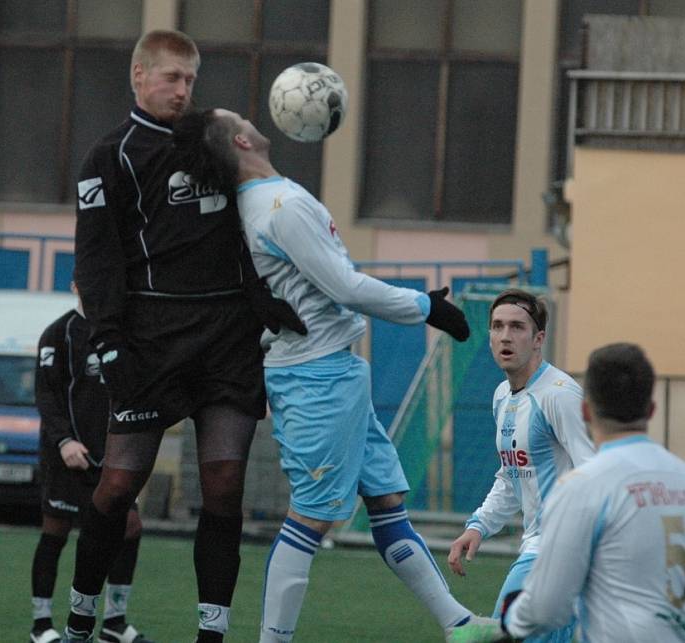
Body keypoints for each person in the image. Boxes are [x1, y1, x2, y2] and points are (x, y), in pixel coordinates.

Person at [172, 108, 503, 643]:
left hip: (336, 372)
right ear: (239, 139)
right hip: (313, 379)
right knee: (312, 518)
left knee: (387, 503)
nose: (254, 118)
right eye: (240, 117)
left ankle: (458, 624)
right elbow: (345, 286)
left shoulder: (266, 201)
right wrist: (426, 307)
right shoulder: (279, 207)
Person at [63, 31, 304, 643]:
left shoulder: (214, 143)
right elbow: (95, 261)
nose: (182, 90)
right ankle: (79, 621)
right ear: (139, 76)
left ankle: (212, 634)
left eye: (191, 80)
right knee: (117, 486)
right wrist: (107, 341)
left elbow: (253, 223)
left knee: (223, 489)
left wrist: (263, 300)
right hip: (151, 340)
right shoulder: (109, 155)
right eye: (171, 78)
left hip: (227, 338)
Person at [499, 343, 685, 642]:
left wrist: (509, 625)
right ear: (651, 410)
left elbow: (547, 608)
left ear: (585, 410)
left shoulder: (582, 487)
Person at [446, 288, 595, 643]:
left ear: (539, 338)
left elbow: (595, 473)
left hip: (559, 551)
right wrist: (479, 526)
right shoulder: (502, 396)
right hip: (540, 548)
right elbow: (511, 475)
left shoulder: (559, 394)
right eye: (497, 327)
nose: (505, 336)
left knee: (501, 635)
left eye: (517, 327)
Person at [30, 281, 152, 643]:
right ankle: (41, 625)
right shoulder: (58, 333)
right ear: (75, 286)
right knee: (56, 532)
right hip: (68, 456)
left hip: (112, 457)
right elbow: (45, 394)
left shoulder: (119, 332)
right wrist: (64, 441)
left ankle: (114, 622)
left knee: (129, 527)